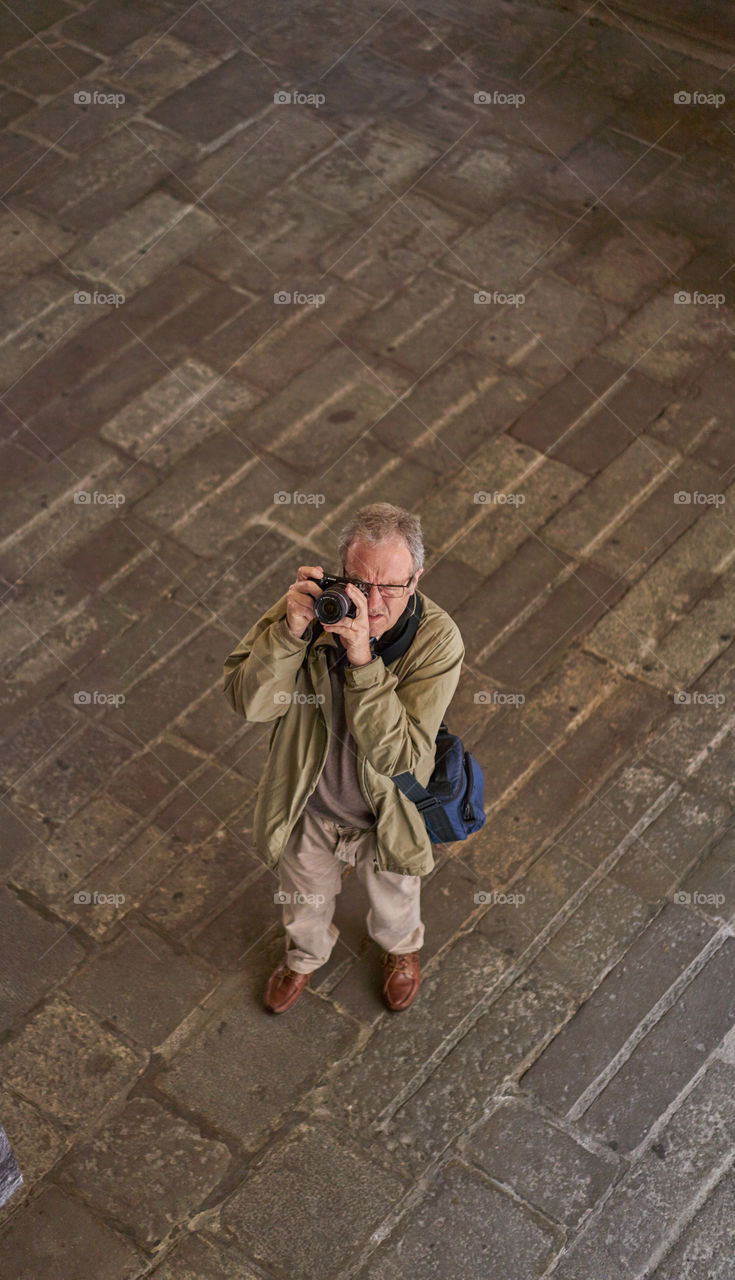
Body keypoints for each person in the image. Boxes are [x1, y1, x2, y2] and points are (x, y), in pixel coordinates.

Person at [222, 502, 464, 1014]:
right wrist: (288, 634)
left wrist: (363, 661)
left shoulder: (437, 640)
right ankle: (304, 957)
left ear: (415, 579)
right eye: (359, 583)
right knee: (301, 904)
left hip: (389, 814)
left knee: (396, 903)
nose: (372, 604)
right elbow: (250, 702)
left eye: (391, 587)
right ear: (338, 574)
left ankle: (401, 951)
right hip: (309, 804)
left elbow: (399, 753)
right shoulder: (312, 609)